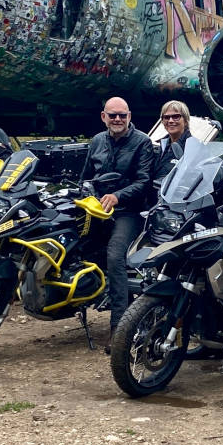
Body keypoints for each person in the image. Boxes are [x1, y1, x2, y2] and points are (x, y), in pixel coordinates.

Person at [82, 96, 158, 331]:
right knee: (72, 243)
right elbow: (85, 176)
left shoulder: (142, 142)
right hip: (96, 208)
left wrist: (117, 196)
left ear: (129, 117)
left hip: (129, 211)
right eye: (112, 115)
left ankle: (120, 327)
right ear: (104, 117)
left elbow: (144, 182)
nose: (117, 119)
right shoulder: (96, 141)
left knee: (115, 256)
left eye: (122, 115)